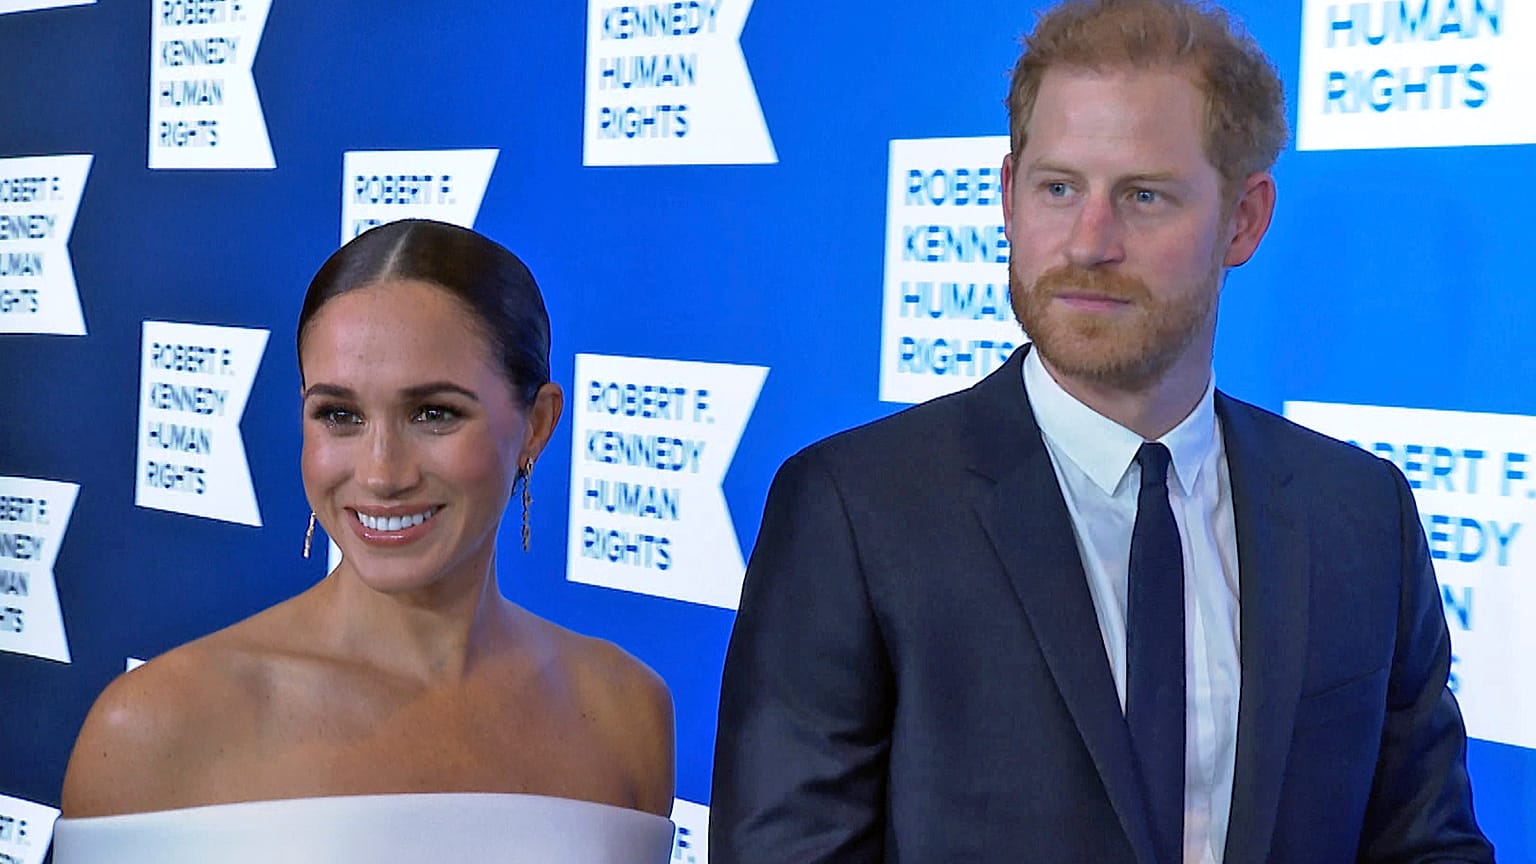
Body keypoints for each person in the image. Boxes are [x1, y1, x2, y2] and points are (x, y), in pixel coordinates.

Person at [710, 2, 1492, 863]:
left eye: (1144, 196)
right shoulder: (855, 511)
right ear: (1007, 197)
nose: (1088, 243)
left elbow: (1425, 842)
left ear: (1244, 219)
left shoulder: (1359, 516)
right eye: (1058, 188)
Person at [57, 220, 676, 861]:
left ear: (536, 426)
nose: (381, 473)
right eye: (340, 415)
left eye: (434, 413)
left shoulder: (626, 712)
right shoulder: (154, 728)